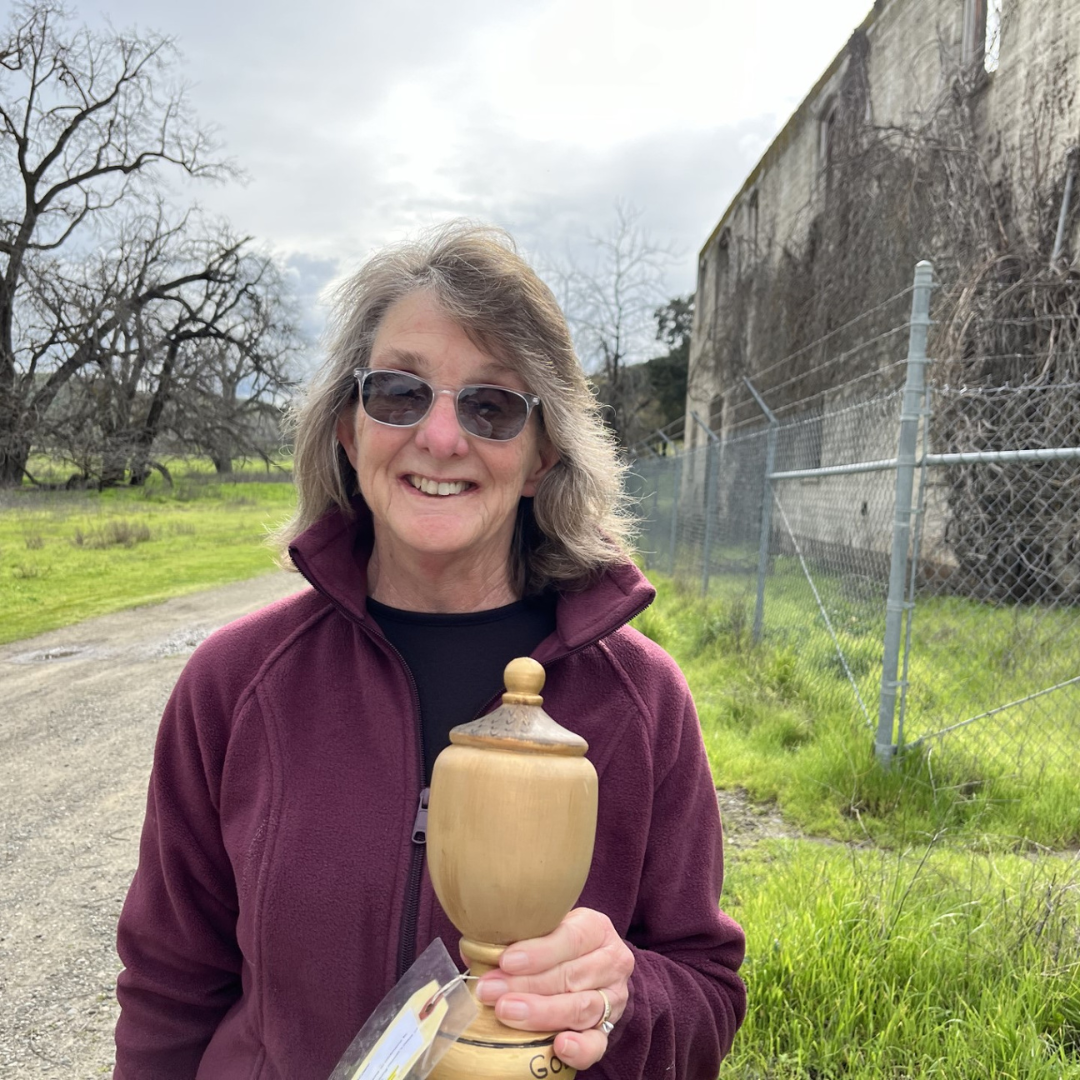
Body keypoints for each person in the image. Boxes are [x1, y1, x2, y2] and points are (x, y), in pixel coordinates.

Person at [113, 222, 746, 1079]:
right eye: (399, 393)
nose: (441, 438)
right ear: (347, 428)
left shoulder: (643, 702)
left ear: (541, 455)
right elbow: (169, 988)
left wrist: (621, 997)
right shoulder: (233, 685)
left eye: (491, 406)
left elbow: (707, 990)